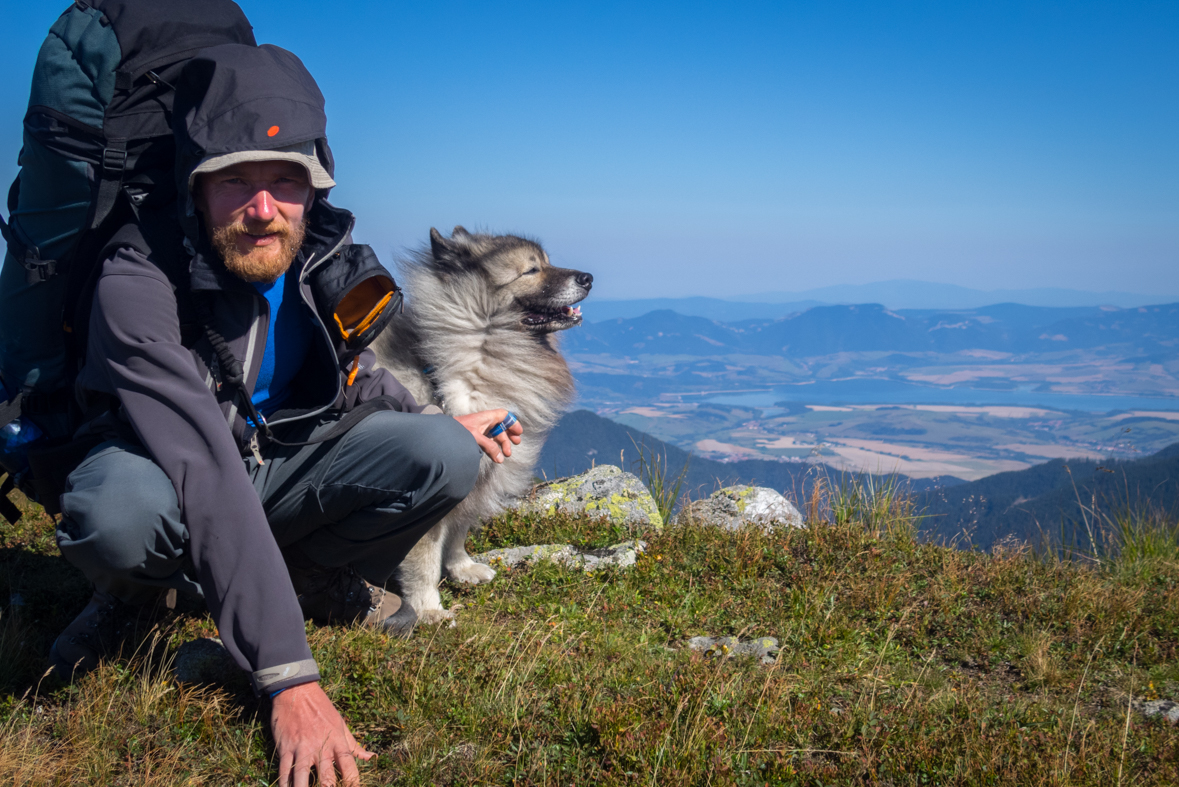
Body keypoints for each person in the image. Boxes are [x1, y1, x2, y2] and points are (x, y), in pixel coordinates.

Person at [47, 43, 519, 787]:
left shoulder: (322, 258)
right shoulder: (136, 278)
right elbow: (200, 464)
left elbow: (345, 379)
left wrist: (434, 421)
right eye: (234, 181)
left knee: (442, 452)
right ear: (195, 187)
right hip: (166, 467)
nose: (262, 209)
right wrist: (289, 677)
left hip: (274, 459)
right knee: (117, 517)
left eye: (284, 182)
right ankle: (135, 599)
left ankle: (302, 578)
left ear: (313, 187)